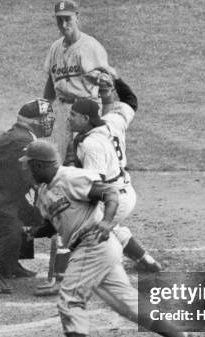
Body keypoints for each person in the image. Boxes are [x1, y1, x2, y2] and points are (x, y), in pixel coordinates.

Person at [20, 140, 200, 337]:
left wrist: (106, 222)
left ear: (39, 164)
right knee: (129, 305)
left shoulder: (72, 178)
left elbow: (110, 193)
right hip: (96, 250)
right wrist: (34, 232)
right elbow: (54, 223)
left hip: (94, 244)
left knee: (70, 299)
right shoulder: (43, 192)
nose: (25, 169)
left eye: (28, 164)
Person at [69, 75, 162, 273]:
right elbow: (130, 101)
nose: (69, 118)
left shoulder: (91, 145)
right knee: (106, 225)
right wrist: (115, 79)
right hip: (125, 190)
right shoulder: (112, 121)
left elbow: (95, 183)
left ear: (86, 119)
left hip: (113, 196)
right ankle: (147, 261)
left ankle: (105, 269)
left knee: (81, 230)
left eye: (73, 115)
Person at [0, 99, 55, 294]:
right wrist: (49, 195)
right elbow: (31, 175)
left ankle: (11, 264)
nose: (49, 120)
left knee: (33, 217)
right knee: (12, 229)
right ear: (32, 121)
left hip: (4, 190)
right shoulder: (22, 140)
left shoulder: (24, 136)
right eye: (45, 117)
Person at [43, 0, 114, 163]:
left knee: (84, 159)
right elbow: (50, 85)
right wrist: (45, 113)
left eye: (68, 18)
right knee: (58, 160)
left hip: (85, 112)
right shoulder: (55, 48)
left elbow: (107, 89)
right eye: (59, 20)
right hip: (61, 111)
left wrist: (105, 124)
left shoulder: (92, 47)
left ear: (77, 17)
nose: (63, 24)